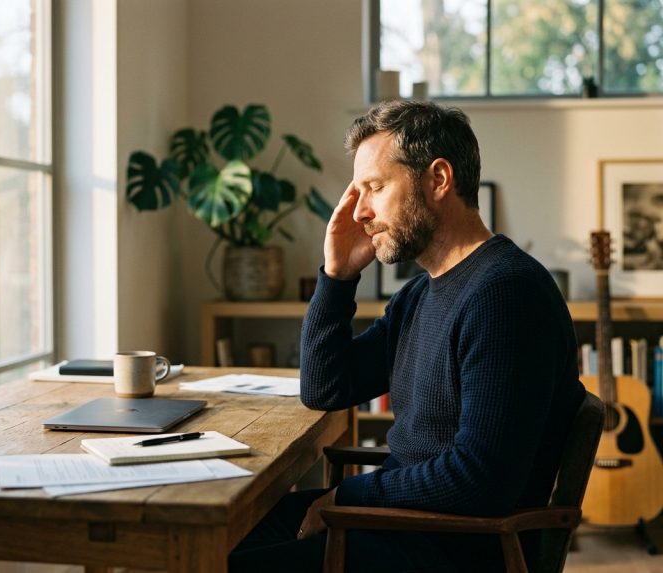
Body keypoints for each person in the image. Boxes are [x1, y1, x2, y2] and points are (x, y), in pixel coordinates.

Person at [229, 100, 586, 572]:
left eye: (374, 187)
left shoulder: (506, 295)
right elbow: (326, 388)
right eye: (357, 193)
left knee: (225, 558)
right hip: (406, 522)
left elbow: (480, 478)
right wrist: (336, 277)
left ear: (438, 180)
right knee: (227, 529)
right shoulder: (422, 292)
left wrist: (347, 494)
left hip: (452, 545)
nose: (360, 212)